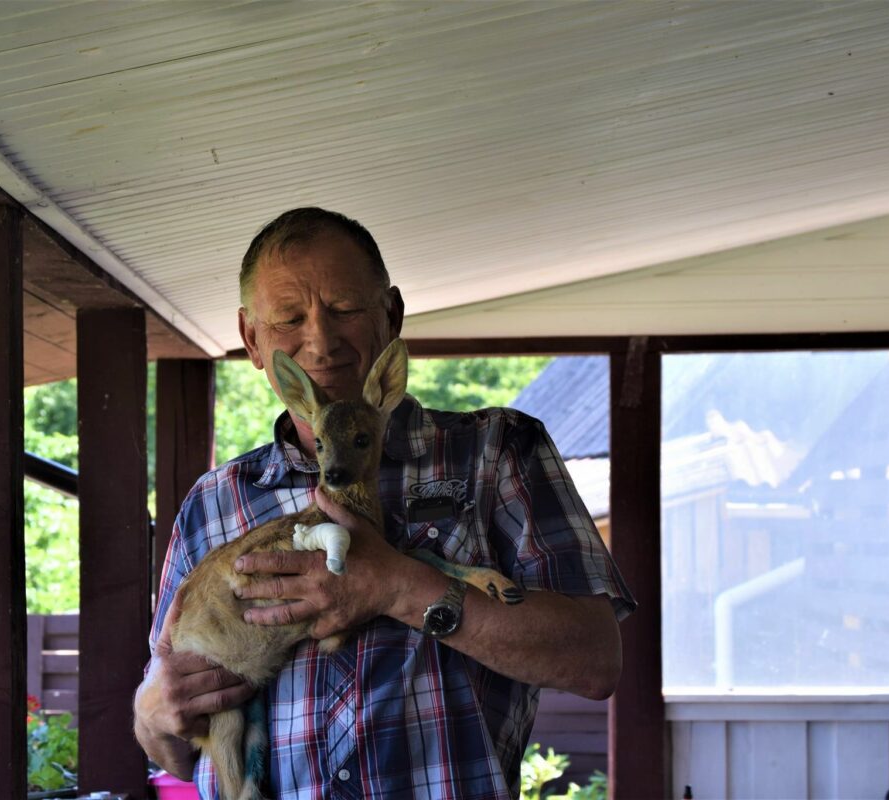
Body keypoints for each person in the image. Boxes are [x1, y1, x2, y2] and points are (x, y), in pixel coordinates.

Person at [134, 207, 635, 799]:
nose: (321, 341)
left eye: (345, 308)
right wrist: (153, 713)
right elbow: (175, 752)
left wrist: (398, 587)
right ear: (252, 340)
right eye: (289, 318)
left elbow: (594, 661)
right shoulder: (212, 501)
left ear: (391, 316)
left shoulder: (497, 450)